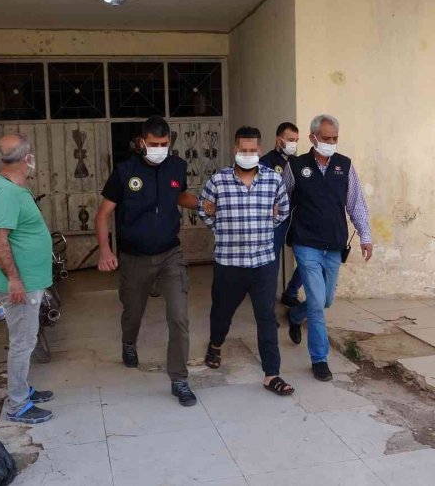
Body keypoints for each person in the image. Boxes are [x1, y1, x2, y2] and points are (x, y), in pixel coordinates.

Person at [95, 115, 201, 407]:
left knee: (178, 317)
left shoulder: (177, 166)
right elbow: (103, 215)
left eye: (164, 144)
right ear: (142, 142)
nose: (159, 149)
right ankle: (129, 342)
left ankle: (179, 379)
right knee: (133, 313)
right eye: (154, 144)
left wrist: (204, 204)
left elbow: (179, 196)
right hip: (134, 257)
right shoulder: (124, 171)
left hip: (170, 254)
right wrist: (105, 251)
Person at [198, 126, 294, 396]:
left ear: (260, 150)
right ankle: (215, 344)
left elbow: (283, 211)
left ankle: (272, 374)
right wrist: (220, 229)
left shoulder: (272, 180)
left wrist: (266, 225)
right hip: (229, 263)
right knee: (222, 312)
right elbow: (204, 209)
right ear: (235, 150)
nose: (248, 154)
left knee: (266, 318)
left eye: (253, 150)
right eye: (244, 150)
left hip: (263, 263)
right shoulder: (219, 180)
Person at [283, 114, 373, 382]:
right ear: (313, 138)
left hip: (334, 244)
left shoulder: (345, 165)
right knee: (317, 304)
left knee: (325, 300)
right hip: (306, 243)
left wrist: (366, 236)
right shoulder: (296, 166)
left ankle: (295, 315)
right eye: (326, 138)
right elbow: (282, 199)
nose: (331, 143)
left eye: (335, 138)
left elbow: (355, 203)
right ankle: (319, 358)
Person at [0, 133, 55, 424]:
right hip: (18, 284)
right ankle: (18, 404)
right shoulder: (5, 193)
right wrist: (13, 278)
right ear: (28, 158)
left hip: (27, 280)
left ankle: (23, 390)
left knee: (26, 339)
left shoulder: (11, 186)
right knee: (22, 343)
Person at [260, 122, 304, 308]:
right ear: (279, 140)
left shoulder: (299, 163)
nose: (294, 144)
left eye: (296, 140)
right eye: (290, 140)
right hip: (275, 222)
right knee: (272, 264)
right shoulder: (265, 162)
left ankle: (291, 292)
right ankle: (267, 305)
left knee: (308, 260)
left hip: (296, 220)